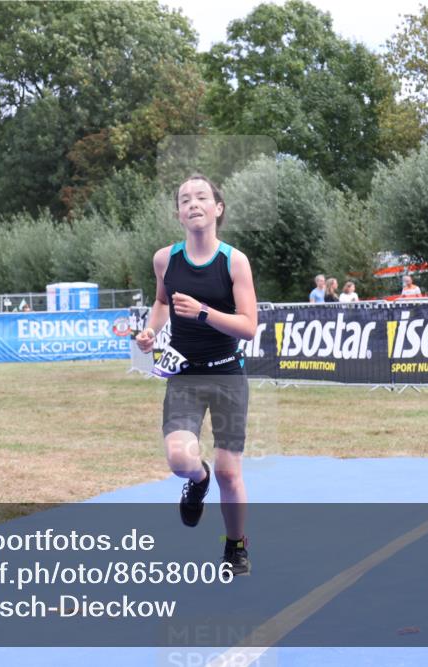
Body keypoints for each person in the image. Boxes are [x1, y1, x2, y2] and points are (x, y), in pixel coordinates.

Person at [134, 174, 258, 575]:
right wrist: (151, 331)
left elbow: (248, 326)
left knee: (229, 471)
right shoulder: (164, 259)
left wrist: (204, 312)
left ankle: (236, 545)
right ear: (179, 214)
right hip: (185, 376)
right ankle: (197, 480)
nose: (193, 203)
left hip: (227, 376)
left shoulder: (234, 261)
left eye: (202, 197)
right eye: (185, 199)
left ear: (217, 209)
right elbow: (160, 301)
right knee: (179, 458)